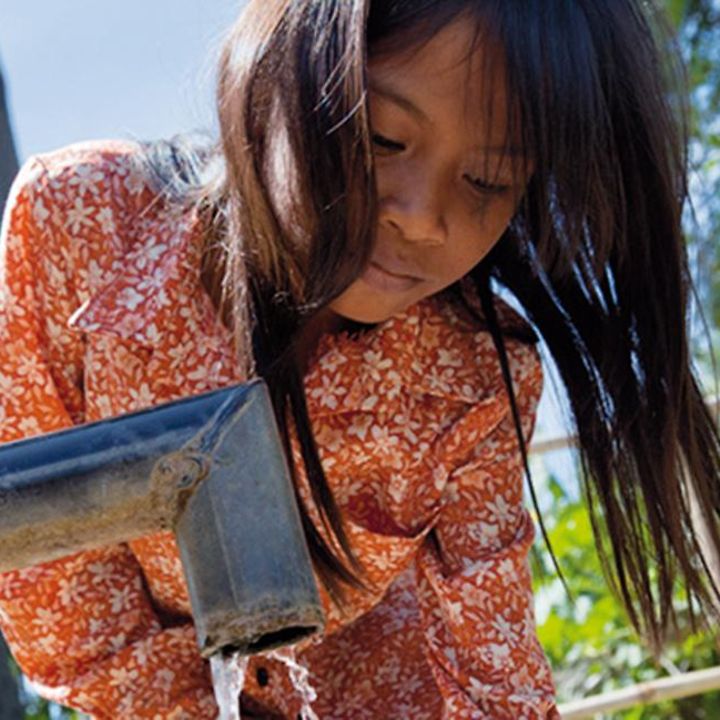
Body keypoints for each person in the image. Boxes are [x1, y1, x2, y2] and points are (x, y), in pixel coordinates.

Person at [0, 0, 718, 718]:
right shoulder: (79, 230)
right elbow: (59, 595)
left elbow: (494, 674)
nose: (423, 216)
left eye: (488, 182)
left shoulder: (469, 377)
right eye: (381, 137)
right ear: (277, 68)